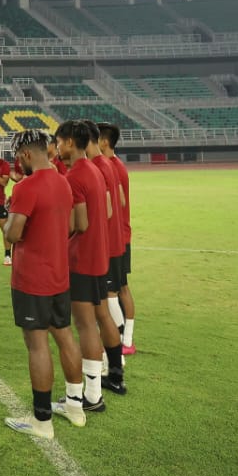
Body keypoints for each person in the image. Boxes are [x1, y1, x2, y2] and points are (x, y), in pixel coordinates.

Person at [0, 130, 85, 439]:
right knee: (65, 336)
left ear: (24, 155)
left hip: (32, 279)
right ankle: (75, 405)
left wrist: (10, 215)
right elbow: (73, 226)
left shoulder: (26, 186)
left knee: (37, 345)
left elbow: (13, 234)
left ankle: (42, 420)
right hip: (59, 275)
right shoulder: (63, 181)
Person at [52, 121, 115, 421]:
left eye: (59, 141)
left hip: (81, 259)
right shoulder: (93, 169)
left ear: (68, 142)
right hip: (98, 256)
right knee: (92, 321)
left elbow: (79, 223)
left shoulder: (75, 175)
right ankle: (94, 390)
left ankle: (90, 395)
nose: (57, 147)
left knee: (85, 325)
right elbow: (105, 211)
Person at [84, 121, 127, 394]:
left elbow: (109, 208)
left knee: (93, 314)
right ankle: (115, 370)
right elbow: (118, 203)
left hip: (99, 249)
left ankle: (94, 381)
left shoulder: (97, 167)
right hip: (110, 245)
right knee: (102, 310)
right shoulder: (109, 164)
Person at [97, 123, 136, 355]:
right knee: (121, 288)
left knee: (113, 290)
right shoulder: (116, 164)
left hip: (116, 237)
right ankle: (126, 339)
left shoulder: (111, 166)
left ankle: (121, 339)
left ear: (103, 141)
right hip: (122, 235)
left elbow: (118, 200)